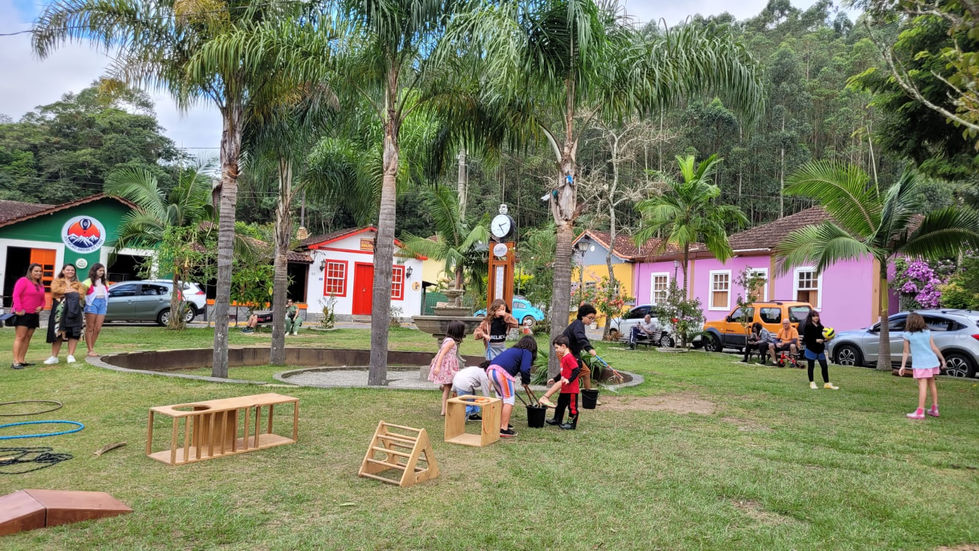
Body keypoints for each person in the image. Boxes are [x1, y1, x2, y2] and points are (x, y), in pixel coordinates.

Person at [539, 304, 597, 407]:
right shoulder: (578, 325)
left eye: (593, 318)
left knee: (586, 372)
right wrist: (589, 348)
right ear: (583, 316)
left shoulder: (579, 324)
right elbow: (580, 337)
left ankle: (589, 397)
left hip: (571, 353)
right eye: (590, 318)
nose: (591, 320)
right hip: (565, 353)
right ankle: (545, 397)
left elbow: (577, 343)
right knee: (566, 377)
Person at [486, 335, 538, 438]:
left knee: (501, 399)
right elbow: (524, 369)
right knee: (509, 400)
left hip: (491, 370)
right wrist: (525, 381)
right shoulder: (526, 352)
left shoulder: (513, 350)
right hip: (502, 373)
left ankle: (500, 423)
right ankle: (503, 429)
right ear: (532, 347)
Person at [899, 312, 945, 419]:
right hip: (932, 362)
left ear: (909, 323)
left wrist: (902, 366)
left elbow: (906, 352)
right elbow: (934, 348)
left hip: (921, 364)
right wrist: (942, 359)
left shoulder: (907, 335)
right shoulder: (927, 332)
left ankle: (920, 411)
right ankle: (935, 409)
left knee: (922, 386)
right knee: (932, 384)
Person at [44, 264, 87, 365]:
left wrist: (66, 292)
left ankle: (71, 355)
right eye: (68, 270)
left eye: (72, 270)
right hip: (59, 310)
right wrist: (71, 292)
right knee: (58, 331)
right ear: (63, 271)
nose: (70, 272)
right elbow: (54, 290)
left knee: (73, 331)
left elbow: (81, 295)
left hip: (74, 310)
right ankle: (54, 356)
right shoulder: (57, 281)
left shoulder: (79, 284)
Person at [10, 263, 45, 369]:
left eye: (40, 271)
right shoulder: (23, 281)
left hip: (34, 314)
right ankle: (15, 361)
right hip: (23, 314)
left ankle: (22, 360)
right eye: (36, 271)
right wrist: (19, 309)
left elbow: (43, 299)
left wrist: (41, 307)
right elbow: (16, 295)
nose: (38, 273)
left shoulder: (40, 284)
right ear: (30, 271)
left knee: (28, 338)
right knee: (20, 337)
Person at [428, 320, 466, 416]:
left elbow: (440, 351)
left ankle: (445, 406)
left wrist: (434, 360)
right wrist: (437, 366)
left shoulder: (447, 339)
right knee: (450, 387)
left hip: (448, 366)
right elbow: (442, 353)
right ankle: (444, 410)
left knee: (449, 387)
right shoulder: (451, 342)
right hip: (448, 367)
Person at [545, 335, 581, 430]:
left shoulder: (569, 357)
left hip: (572, 389)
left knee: (572, 407)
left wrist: (569, 380)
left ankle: (571, 424)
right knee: (560, 404)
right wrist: (555, 379)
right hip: (565, 389)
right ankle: (557, 419)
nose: (556, 350)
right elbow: (563, 372)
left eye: (557, 347)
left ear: (563, 346)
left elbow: (576, 370)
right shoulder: (564, 357)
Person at [801, 310, 838, 390]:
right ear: (810, 317)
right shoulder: (807, 326)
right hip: (811, 349)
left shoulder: (820, 326)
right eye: (814, 316)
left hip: (820, 350)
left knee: (824, 366)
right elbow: (806, 339)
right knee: (811, 366)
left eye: (817, 316)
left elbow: (824, 336)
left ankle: (827, 383)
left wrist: (827, 338)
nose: (816, 317)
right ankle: (812, 382)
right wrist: (815, 340)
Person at [82, 263, 109, 357]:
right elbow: (81, 295)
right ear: (95, 271)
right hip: (92, 304)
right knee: (90, 327)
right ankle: (90, 349)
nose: (102, 272)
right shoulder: (87, 282)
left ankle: (91, 348)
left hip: (103, 304)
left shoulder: (105, 282)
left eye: (103, 270)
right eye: (100, 270)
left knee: (98, 328)